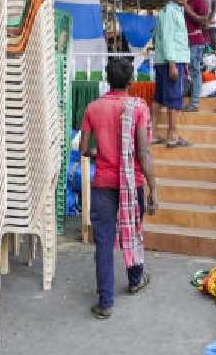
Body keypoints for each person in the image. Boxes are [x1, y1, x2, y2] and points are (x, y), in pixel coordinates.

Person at [79, 57, 158, 319]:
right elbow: (144, 152)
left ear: (107, 79)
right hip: (132, 182)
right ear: (131, 81)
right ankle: (135, 279)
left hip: (103, 184)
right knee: (133, 230)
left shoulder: (93, 107)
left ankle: (106, 303)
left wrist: (100, 151)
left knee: (103, 242)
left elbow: (83, 150)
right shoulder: (138, 108)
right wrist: (153, 189)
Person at [152, 0, 190, 147]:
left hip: (166, 60)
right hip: (170, 61)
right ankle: (172, 135)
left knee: (159, 98)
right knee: (174, 98)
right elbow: (168, 39)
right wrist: (173, 64)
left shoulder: (175, 11)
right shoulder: (169, 12)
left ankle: (152, 133)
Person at [183, 0, 210, 112]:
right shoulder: (189, 1)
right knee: (188, 71)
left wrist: (189, 11)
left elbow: (204, 22)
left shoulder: (201, 1)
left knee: (195, 71)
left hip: (196, 41)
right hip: (187, 41)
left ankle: (194, 103)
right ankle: (190, 99)